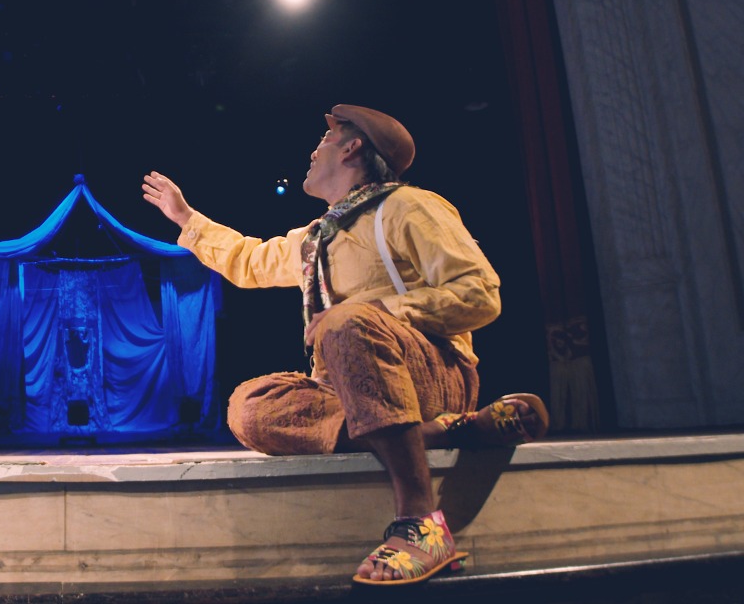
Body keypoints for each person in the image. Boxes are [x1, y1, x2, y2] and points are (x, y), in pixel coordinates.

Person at [141, 104, 548, 585]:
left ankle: (421, 522)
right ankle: (448, 433)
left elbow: (479, 292)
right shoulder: (317, 238)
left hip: (431, 373)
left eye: (324, 141)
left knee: (345, 321)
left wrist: (374, 311)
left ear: (352, 148)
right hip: (351, 396)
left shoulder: (408, 206)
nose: (313, 152)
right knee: (249, 408)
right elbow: (251, 260)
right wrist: (186, 218)